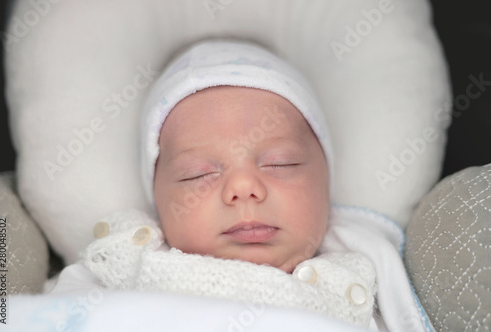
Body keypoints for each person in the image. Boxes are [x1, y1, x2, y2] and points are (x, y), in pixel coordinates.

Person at [52, 40, 432, 332]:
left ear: (325, 181)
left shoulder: (363, 261)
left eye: (280, 163)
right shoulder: (129, 256)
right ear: (158, 201)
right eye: (198, 173)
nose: (244, 187)